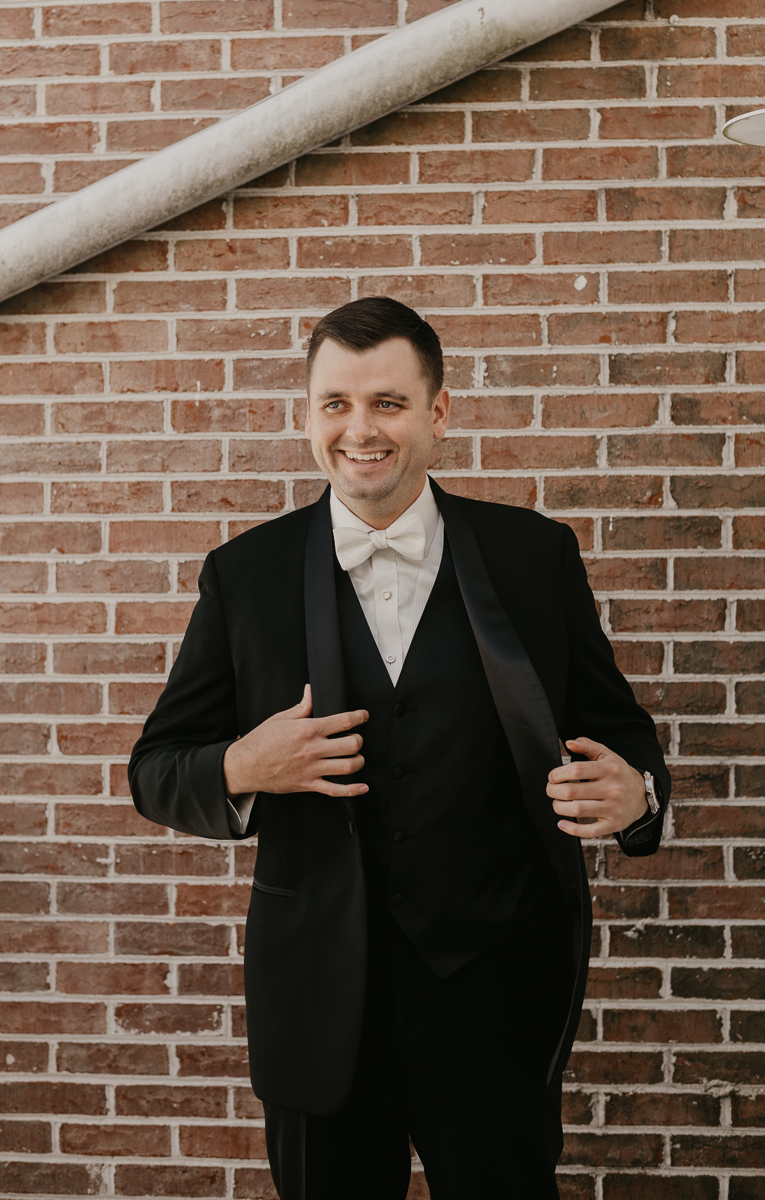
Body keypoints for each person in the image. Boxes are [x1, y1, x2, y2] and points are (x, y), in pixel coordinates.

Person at [129, 296, 670, 1200]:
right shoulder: (245, 575)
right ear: (308, 417)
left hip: (496, 994)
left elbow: (623, 736)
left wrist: (637, 796)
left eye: (387, 402)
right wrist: (240, 768)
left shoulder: (535, 555)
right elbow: (154, 769)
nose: (360, 429)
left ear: (438, 413)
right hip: (319, 999)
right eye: (335, 403)